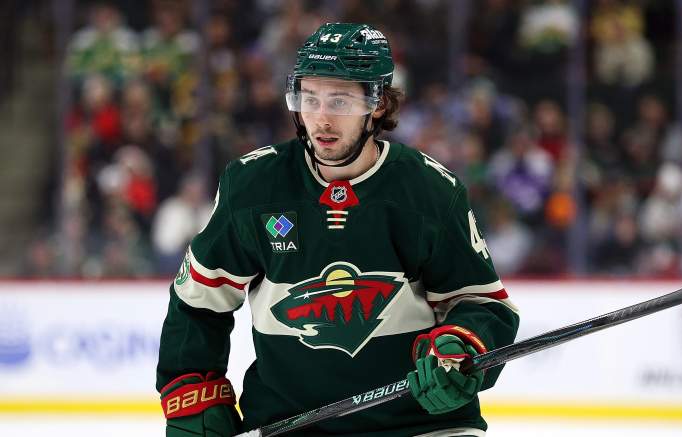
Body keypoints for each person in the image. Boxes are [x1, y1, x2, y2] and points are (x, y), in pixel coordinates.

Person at [156, 23, 519, 437]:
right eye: (309, 99)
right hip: (286, 426)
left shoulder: (430, 192)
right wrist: (194, 394)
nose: (322, 119)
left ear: (378, 104)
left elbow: (483, 304)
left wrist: (460, 348)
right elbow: (198, 300)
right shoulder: (253, 186)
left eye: (340, 101)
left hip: (421, 426)